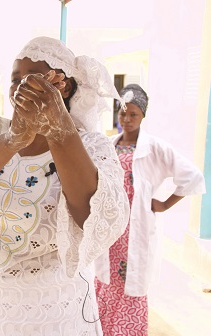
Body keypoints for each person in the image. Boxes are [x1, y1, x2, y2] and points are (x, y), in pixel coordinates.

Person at [0, 36, 130, 335]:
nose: (20, 87)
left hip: (49, 309)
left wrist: (58, 129)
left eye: (31, 79)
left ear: (63, 87)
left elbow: (96, 216)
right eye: (15, 79)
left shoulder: (89, 145)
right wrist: (12, 140)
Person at [94, 84, 206, 335]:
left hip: (136, 228)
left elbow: (192, 177)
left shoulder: (155, 148)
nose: (127, 119)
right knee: (106, 278)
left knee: (131, 283)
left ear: (143, 115)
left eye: (133, 114)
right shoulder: (109, 145)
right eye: (123, 113)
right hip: (111, 226)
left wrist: (165, 203)